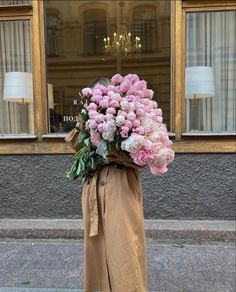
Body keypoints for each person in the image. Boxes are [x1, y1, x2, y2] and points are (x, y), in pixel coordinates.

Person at [65, 77, 148, 292]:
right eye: (91, 97)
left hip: (120, 188)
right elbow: (74, 144)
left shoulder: (129, 116)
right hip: (93, 188)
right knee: (96, 250)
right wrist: (86, 125)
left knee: (124, 246)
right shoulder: (87, 118)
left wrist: (109, 149)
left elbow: (142, 159)